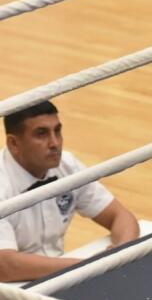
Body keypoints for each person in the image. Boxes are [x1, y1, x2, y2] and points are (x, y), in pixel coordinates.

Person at [0, 101, 140, 283]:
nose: (55, 143)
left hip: (54, 277)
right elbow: (6, 266)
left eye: (57, 131)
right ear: (14, 143)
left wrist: (121, 252)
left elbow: (120, 215)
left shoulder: (68, 166)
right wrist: (86, 267)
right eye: (41, 134)